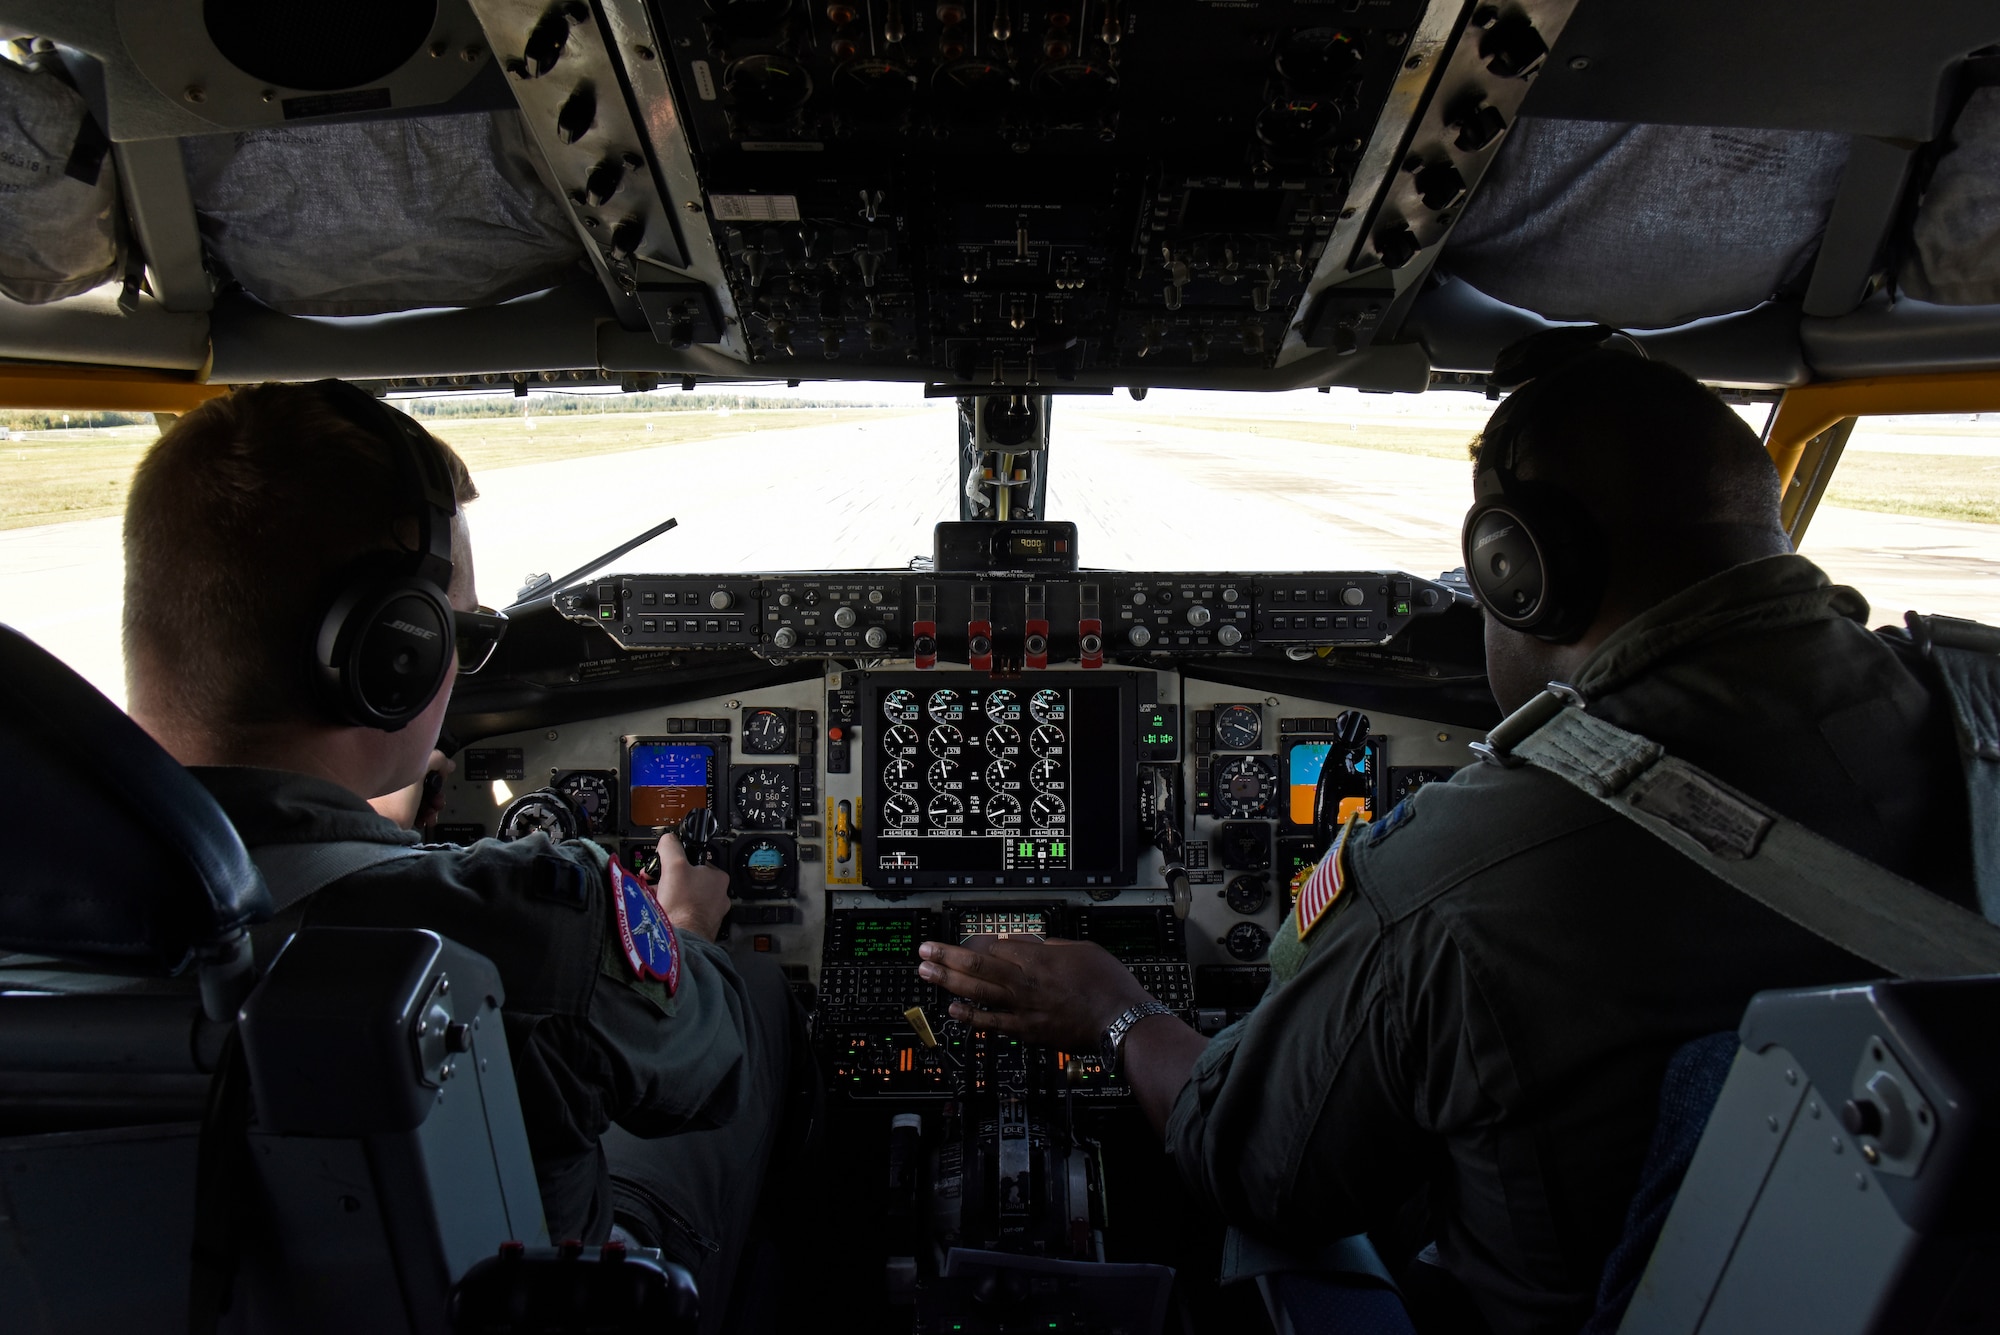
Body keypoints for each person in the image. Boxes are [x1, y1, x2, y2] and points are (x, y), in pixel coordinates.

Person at [914, 333, 1976, 1335]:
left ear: (1514, 566)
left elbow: (1252, 1166)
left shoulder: (1463, 876)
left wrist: (1109, 1007)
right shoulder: (1976, 721)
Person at [122, 381, 793, 1326]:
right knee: (746, 998)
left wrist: (375, 834)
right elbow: (712, 1067)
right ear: (392, 651)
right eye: (466, 634)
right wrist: (682, 930)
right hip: (536, 1301)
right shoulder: (527, 922)